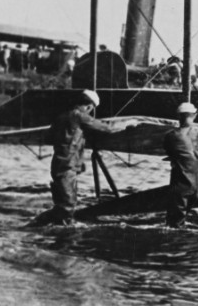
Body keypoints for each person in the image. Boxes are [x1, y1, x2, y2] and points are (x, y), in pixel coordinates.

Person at [46, 89, 135, 224]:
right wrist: (127, 124)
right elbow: (107, 128)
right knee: (68, 206)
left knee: (63, 204)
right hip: (68, 167)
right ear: (88, 106)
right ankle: (59, 234)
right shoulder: (79, 116)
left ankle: (46, 226)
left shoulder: (61, 117)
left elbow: (49, 137)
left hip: (58, 164)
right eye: (90, 109)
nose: (89, 112)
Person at [163, 101, 198, 228]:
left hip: (181, 188)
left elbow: (170, 150)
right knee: (182, 221)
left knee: (173, 226)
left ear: (179, 117)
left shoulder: (172, 135)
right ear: (194, 115)